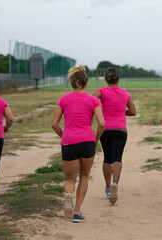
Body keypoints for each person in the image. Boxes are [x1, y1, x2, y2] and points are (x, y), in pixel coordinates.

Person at [51, 65, 105, 222]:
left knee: (69, 179)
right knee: (84, 175)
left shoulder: (63, 99)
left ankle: (68, 195)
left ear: (71, 83)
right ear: (86, 84)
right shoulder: (93, 100)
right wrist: (96, 139)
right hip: (87, 140)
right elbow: (101, 123)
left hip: (69, 141)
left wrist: (64, 136)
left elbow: (54, 123)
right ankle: (77, 212)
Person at [93, 67, 136, 204]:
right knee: (118, 158)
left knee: (107, 158)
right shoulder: (125, 94)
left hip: (105, 128)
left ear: (106, 79)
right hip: (120, 130)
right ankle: (115, 183)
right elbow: (133, 112)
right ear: (118, 79)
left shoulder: (101, 91)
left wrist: (100, 108)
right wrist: (122, 112)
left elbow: (91, 101)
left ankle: (107, 187)